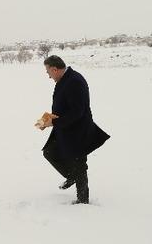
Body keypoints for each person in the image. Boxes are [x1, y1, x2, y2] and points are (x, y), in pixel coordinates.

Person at [38, 55, 109, 204]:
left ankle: (83, 201)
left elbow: (77, 112)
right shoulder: (64, 79)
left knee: (79, 164)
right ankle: (72, 176)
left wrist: (54, 123)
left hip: (78, 131)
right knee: (50, 152)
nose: (48, 76)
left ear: (55, 69)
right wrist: (48, 120)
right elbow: (65, 105)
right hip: (65, 128)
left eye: (48, 72)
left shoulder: (75, 81)